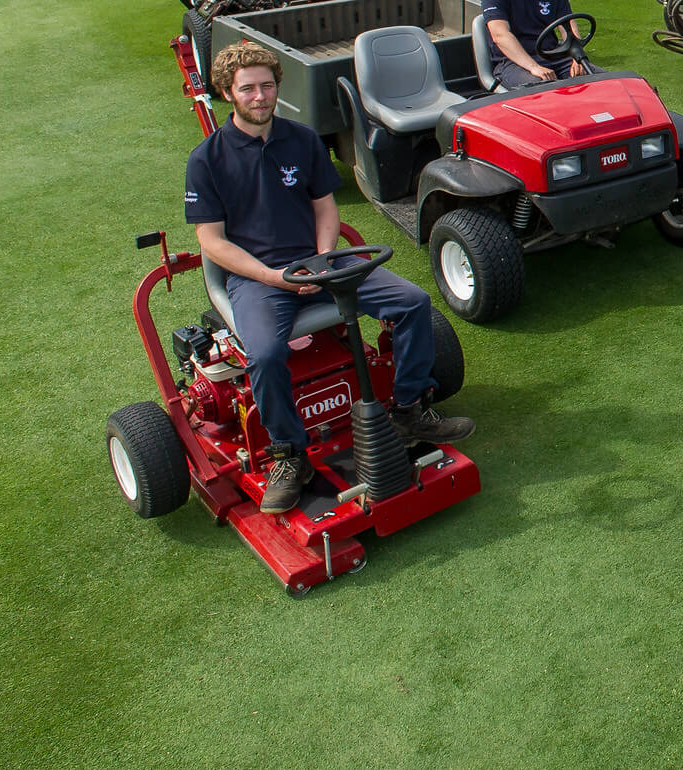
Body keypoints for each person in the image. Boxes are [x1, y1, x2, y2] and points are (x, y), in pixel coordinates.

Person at [186, 43, 473, 515]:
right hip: (257, 280)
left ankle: (407, 411)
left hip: (322, 263)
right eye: (248, 88)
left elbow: (325, 209)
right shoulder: (207, 159)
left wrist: (321, 262)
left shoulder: (301, 139)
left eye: (267, 85)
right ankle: (288, 455)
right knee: (263, 353)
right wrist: (274, 277)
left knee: (413, 302)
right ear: (227, 92)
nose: (260, 96)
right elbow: (212, 243)